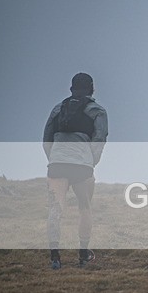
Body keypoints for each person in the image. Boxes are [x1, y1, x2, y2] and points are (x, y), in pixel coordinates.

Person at [42, 73, 108, 269]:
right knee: (85, 208)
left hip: (57, 164)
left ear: (71, 89)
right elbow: (99, 140)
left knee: (55, 208)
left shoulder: (57, 109)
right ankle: (83, 254)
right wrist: (91, 162)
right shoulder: (98, 111)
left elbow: (46, 139)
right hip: (82, 166)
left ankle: (55, 257)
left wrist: (54, 159)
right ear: (92, 89)